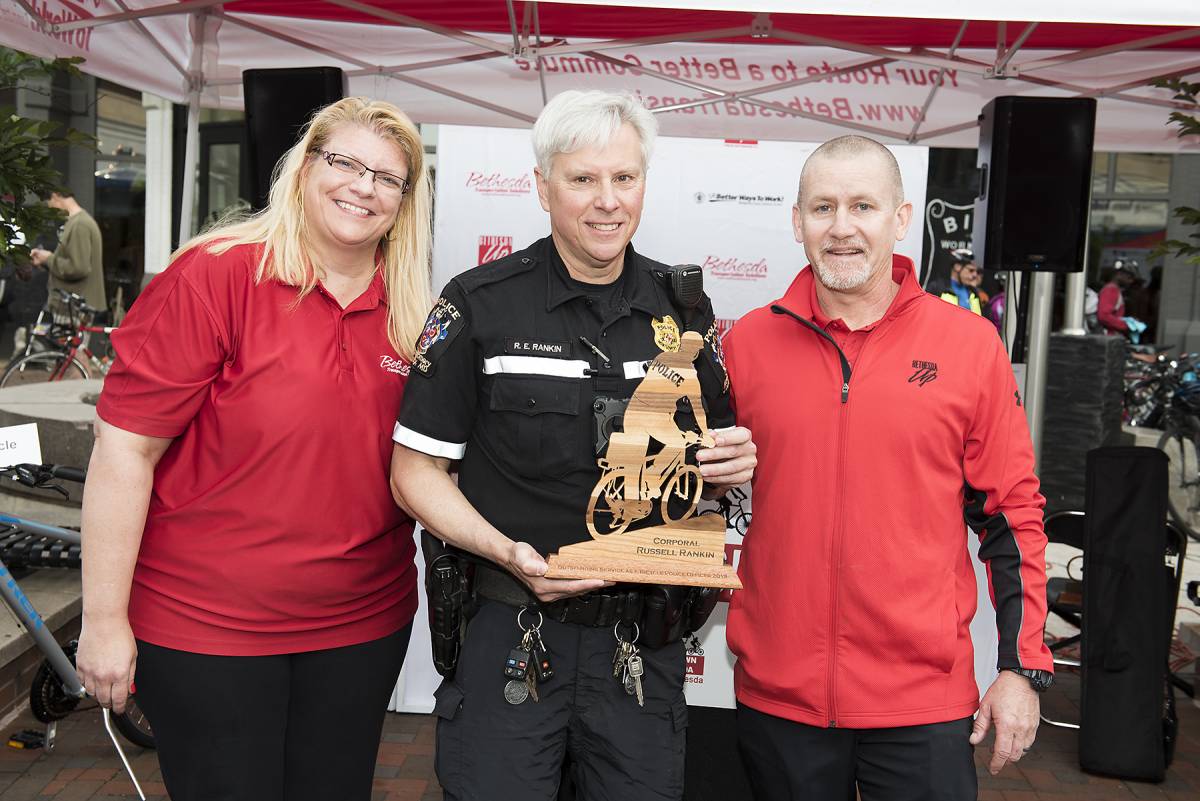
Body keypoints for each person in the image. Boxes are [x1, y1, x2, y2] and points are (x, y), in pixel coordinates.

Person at [389, 90, 757, 801]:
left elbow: (709, 464)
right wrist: (506, 554)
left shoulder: (684, 309)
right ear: (542, 186)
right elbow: (414, 472)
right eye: (582, 178)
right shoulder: (477, 303)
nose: (606, 201)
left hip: (640, 645)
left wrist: (727, 467)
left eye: (624, 177)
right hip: (512, 637)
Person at [75, 97, 433, 801]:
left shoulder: (415, 308)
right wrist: (104, 619)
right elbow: (124, 452)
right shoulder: (217, 275)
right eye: (345, 163)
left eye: (387, 178)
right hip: (209, 628)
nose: (363, 187)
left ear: (405, 199)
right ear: (304, 169)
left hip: (361, 625)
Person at [723, 135, 1052, 800]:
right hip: (781, 698)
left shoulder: (968, 347)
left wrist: (1021, 668)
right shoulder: (746, 343)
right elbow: (706, 499)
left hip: (922, 704)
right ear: (797, 221)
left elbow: (1011, 516)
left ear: (900, 219)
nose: (841, 228)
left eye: (863, 206)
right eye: (823, 207)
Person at [29, 189, 107, 315]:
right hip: (73, 306)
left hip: (74, 309)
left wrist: (48, 258)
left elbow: (78, 268)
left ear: (55, 196)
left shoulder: (80, 225)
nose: (49, 207)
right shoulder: (77, 222)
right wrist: (45, 261)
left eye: (49, 202)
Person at [1097, 259, 1147, 341]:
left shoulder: (1115, 290)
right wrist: (1126, 325)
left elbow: (1113, 314)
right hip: (1106, 339)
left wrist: (1128, 321)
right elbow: (1103, 316)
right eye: (1129, 277)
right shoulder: (1111, 290)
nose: (1131, 281)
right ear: (1119, 274)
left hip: (1110, 338)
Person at [927, 247, 983, 314]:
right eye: (971, 270)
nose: (975, 275)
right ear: (957, 267)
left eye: (976, 271)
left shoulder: (974, 293)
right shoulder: (937, 288)